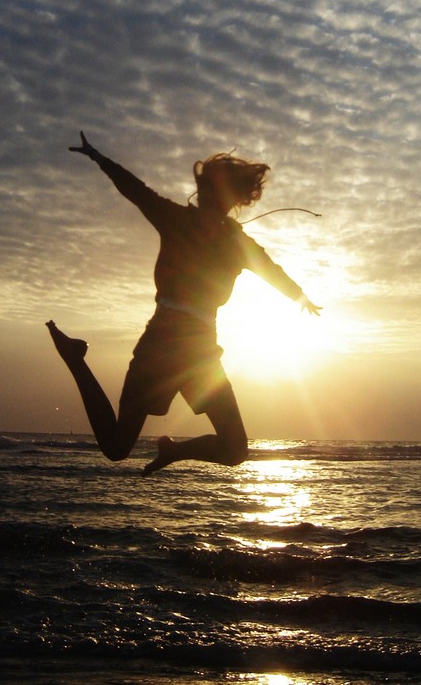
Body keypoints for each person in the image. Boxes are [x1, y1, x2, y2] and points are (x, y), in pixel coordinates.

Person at [46, 132, 321, 476]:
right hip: (162, 342)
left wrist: (300, 296)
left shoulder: (236, 241)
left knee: (235, 449)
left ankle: (174, 451)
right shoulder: (177, 219)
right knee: (116, 447)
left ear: (228, 199)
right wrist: (99, 158)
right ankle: (75, 359)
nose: (211, 198)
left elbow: (269, 269)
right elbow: (136, 190)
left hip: (201, 348)